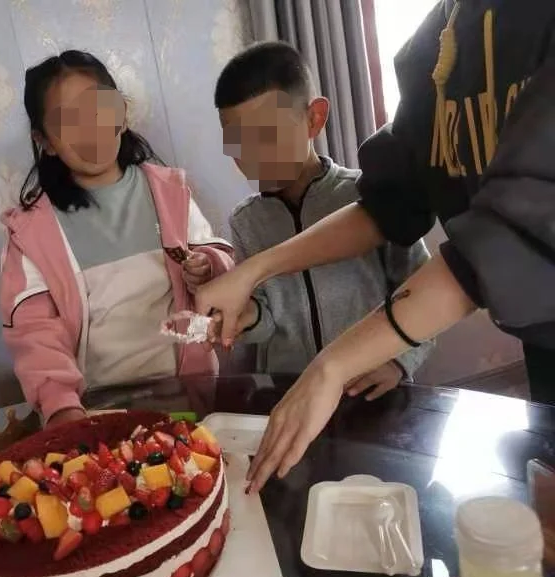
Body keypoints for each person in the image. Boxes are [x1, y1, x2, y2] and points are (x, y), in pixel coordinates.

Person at [195, 0, 555, 493]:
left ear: (313, 118)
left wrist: (340, 364)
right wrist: (252, 272)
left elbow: (499, 242)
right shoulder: (433, 44)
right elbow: (390, 206)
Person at [0, 50, 234, 428]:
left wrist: (208, 266)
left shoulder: (169, 192)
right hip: (96, 412)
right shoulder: (33, 232)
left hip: (188, 395)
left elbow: (218, 256)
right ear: (45, 141)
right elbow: (34, 333)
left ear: (121, 113)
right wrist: (62, 406)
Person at [217, 42, 433, 398]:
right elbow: (267, 317)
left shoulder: (371, 199)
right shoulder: (245, 221)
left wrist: (400, 362)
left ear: (314, 118)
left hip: (367, 389)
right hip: (291, 393)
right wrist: (250, 316)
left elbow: (424, 288)